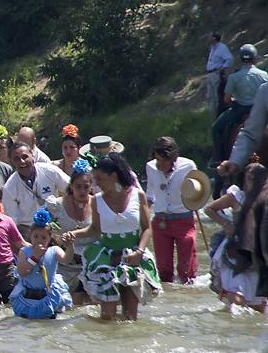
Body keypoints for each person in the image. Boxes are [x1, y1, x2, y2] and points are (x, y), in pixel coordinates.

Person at [67, 153, 160, 321]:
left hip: (133, 256)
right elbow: (95, 230)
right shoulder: (97, 200)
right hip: (106, 259)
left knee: (130, 317)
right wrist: (74, 234)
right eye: (95, 179)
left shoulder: (138, 195)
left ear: (114, 176)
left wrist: (139, 251)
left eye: (101, 179)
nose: (97, 184)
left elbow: (147, 228)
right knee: (107, 316)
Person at [204, 163, 265, 310]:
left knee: (258, 307)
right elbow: (209, 209)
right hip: (233, 253)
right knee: (236, 303)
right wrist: (226, 224)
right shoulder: (236, 196)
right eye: (250, 178)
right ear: (244, 179)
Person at [144, 136, 200, 284]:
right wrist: (140, 216)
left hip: (184, 219)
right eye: (158, 160)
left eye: (164, 160)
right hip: (160, 221)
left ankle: (186, 298)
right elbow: (150, 195)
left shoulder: (188, 166)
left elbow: (198, 191)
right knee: (164, 270)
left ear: (173, 157)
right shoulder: (150, 167)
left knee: (187, 271)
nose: (160, 164)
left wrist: (197, 198)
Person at [44, 158, 94, 306]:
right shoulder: (56, 205)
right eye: (78, 187)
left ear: (91, 186)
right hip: (65, 264)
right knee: (69, 308)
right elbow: (41, 227)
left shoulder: (98, 204)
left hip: (90, 264)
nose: (82, 191)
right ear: (71, 186)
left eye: (86, 187)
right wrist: (56, 237)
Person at [9, 207, 72, 319]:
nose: (39, 240)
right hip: (28, 298)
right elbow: (23, 272)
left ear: (49, 239)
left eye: (43, 237)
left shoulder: (54, 250)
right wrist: (35, 257)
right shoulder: (24, 251)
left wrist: (70, 246)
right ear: (30, 236)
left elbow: (66, 260)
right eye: (36, 236)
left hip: (47, 296)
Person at [212, 44, 268, 165]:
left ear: (241, 58)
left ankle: (218, 158)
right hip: (262, 110)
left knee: (216, 128)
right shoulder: (264, 75)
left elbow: (227, 99)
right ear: (255, 58)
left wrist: (234, 99)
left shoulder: (233, 77)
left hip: (240, 110)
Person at [2, 142, 70, 231]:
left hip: (55, 225)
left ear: (32, 156)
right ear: (12, 162)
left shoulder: (50, 171)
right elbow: (12, 221)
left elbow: (72, 188)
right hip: (29, 231)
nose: (22, 161)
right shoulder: (9, 187)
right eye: (17, 159)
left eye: (25, 157)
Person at [220, 82, 268, 180]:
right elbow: (251, 134)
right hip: (251, 108)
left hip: (241, 107)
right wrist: (235, 161)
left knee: (217, 128)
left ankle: (218, 152)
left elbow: (227, 99)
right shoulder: (265, 90)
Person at [206, 31, 235, 116]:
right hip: (210, 74)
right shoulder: (212, 48)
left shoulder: (222, 48)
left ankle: (218, 114)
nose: (208, 39)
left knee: (216, 95)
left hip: (216, 74)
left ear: (214, 39)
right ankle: (210, 115)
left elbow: (230, 59)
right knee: (209, 96)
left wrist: (222, 68)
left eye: (209, 37)